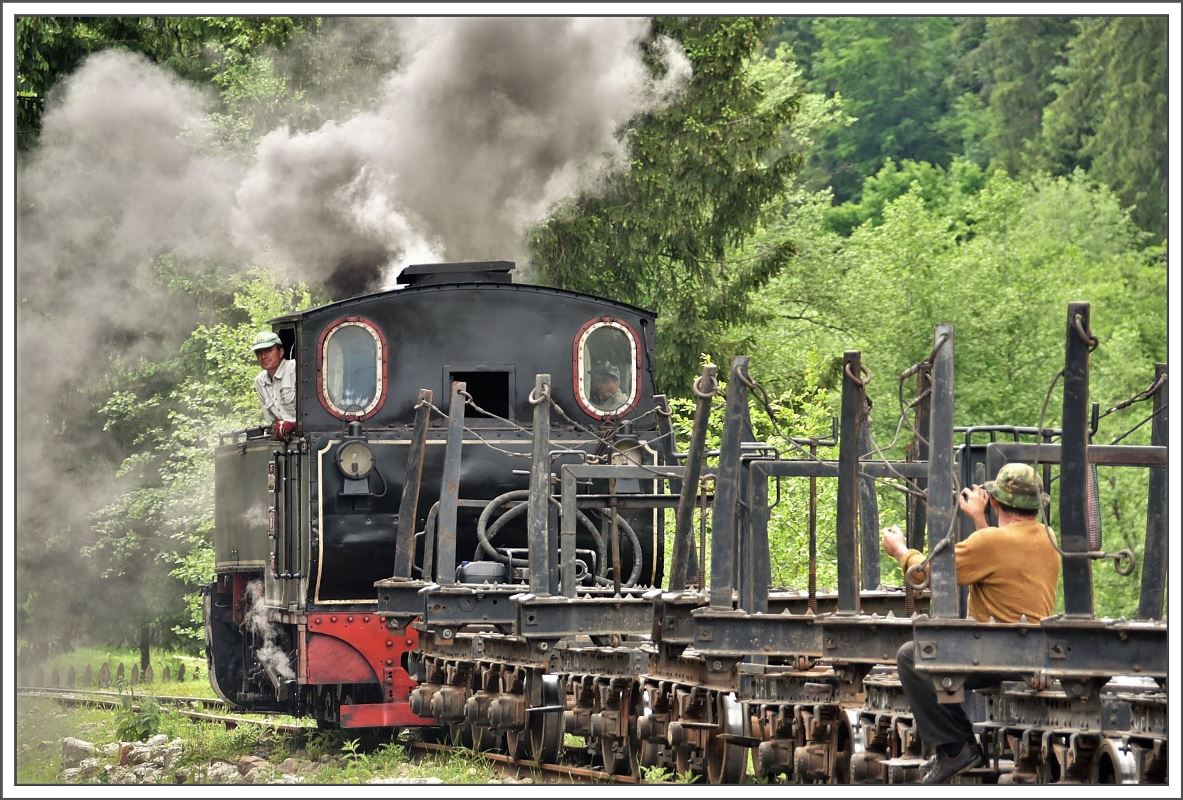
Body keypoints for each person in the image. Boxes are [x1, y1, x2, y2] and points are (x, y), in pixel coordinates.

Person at [881, 463, 1061, 784]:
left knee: (913, 655)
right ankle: (955, 748)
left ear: (994, 501)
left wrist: (900, 551)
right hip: (1034, 652)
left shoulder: (992, 543)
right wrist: (979, 519)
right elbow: (1000, 557)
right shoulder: (1048, 538)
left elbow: (928, 573)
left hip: (996, 654)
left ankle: (956, 748)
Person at [251, 331, 297, 439]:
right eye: (259, 352)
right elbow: (272, 419)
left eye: (268, 350)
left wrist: (294, 425)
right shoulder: (260, 381)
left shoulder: (295, 369)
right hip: (285, 440)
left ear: (281, 352)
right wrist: (277, 425)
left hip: (308, 435)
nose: (263, 356)